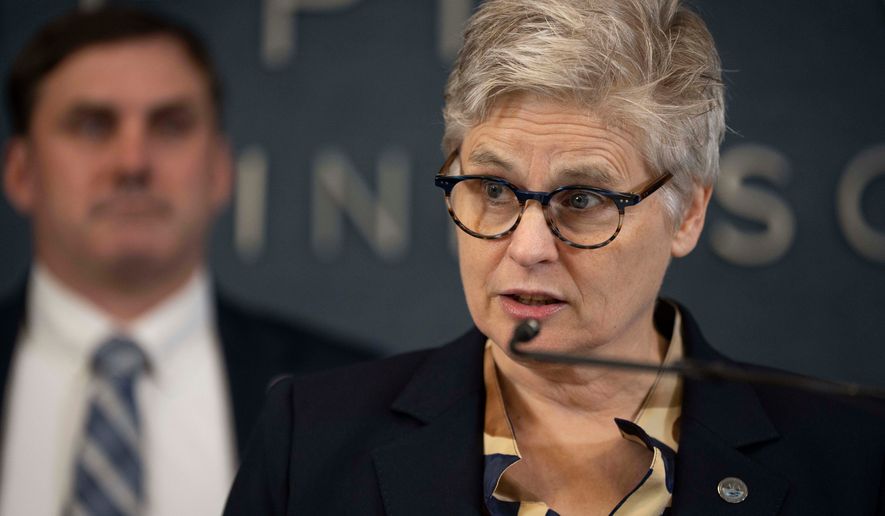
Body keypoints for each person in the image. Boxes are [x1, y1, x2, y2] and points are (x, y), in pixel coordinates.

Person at [224, 0, 885, 514]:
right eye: (491, 190)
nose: (528, 247)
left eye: (583, 199)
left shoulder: (849, 456)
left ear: (687, 212)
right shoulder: (308, 442)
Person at [0, 7, 372, 516]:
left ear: (220, 170)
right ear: (21, 172)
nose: (133, 163)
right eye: (91, 126)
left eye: (170, 126)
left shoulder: (357, 403)